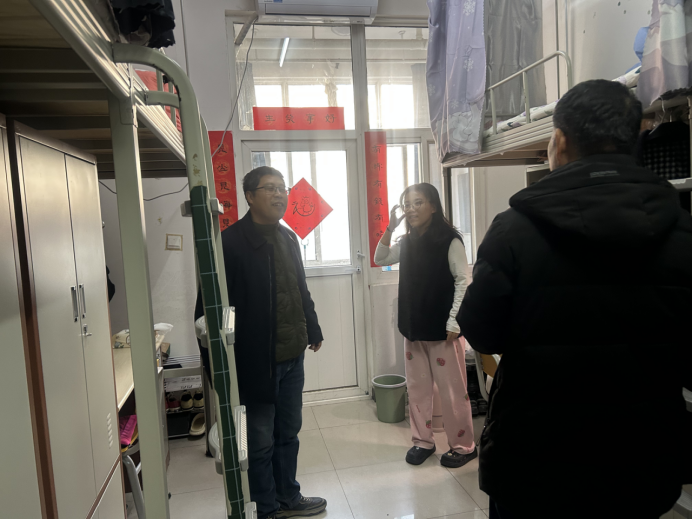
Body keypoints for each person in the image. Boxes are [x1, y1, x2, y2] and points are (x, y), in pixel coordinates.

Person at [459, 80, 692, 519]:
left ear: (560, 141)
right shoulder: (682, 231)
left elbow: (481, 331)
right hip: (643, 460)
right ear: (635, 137)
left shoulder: (513, 231)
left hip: (535, 459)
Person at [195, 166, 326, 519]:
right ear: (250, 196)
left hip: (292, 355)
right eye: (270, 188)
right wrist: (215, 370)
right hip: (254, 362)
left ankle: (288, 497)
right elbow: (207, 311)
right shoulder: (229, 244)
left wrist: (312, 328)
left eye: (283, 187)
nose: (280, 194)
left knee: (289, 433)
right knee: (259, 441)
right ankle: (265, 509)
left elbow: (299, 288)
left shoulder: (288, 238)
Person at [375, 183, 477, 468]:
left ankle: (464, 446)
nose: (411, 209)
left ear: (433, 206)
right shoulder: (406, 242)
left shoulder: (450, 240)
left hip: (444, 331)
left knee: (452, 393)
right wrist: (390, 228)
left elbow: (463, 280)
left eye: (418, 203)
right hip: (413, 327)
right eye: (407, 204)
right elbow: (380, 258)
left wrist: (455, 319)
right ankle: (423, 441)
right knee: (418, 390)